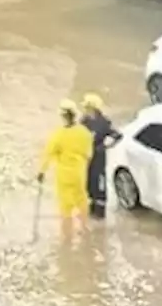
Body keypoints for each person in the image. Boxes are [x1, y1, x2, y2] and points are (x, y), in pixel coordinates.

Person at [37, 99, 94, 232]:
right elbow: (89, 154)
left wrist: (42, 172)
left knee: (65, 205)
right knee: (81, 200)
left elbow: (48, 154)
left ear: (63, 116)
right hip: (79, 173)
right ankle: (85, 227)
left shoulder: (58, 135)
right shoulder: (84, 132)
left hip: (63, 175)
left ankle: (67, 234)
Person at [79, 93, 122, 219]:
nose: (85, 110)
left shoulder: (104, 122)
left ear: (92, 108)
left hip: (99, 157)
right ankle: (91, 208)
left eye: (87, 107)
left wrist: (105, 146)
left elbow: (117, 135)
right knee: (88, 182)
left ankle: (100, 211)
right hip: (86, 157)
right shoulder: (83, 121)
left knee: (99, 183)